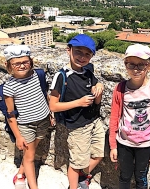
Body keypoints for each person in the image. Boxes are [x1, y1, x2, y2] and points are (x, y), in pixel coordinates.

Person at [109, 44, 150, 189]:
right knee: (124, 176)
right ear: (125, 65)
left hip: (145, 144)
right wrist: (113, 146)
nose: (136, 69)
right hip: (124, 143)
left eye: (141, 65)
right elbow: (114, 118)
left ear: (149, 65)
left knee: (141, 177)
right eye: (131, 64)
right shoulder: (120, 89)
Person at [49, 34, 105, 189]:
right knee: (75, 163)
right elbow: (53, 106)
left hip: (94, 121)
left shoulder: (87, 72)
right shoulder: (61, 76)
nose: (82, 57)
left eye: (87, 54)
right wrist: (78, 103)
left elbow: (95, 89)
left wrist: (99, 85)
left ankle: (82, 177)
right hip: (77, 126)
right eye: (78, 52)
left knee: (99, 155)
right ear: (69, 50)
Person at [3, 45, 54, 189]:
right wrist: (18, 136)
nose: (21, 65)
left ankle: (20, 173)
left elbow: (44, 96)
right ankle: (33, 186)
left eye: (25, 62)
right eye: (16, 63)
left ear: (30, 61)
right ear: (9, 65)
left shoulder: (38, 75)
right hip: (27, 125)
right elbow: (10, 114)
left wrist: (50, 114)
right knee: (30, 157)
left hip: (44, 121)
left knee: (29, 152)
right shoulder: (9, 87)